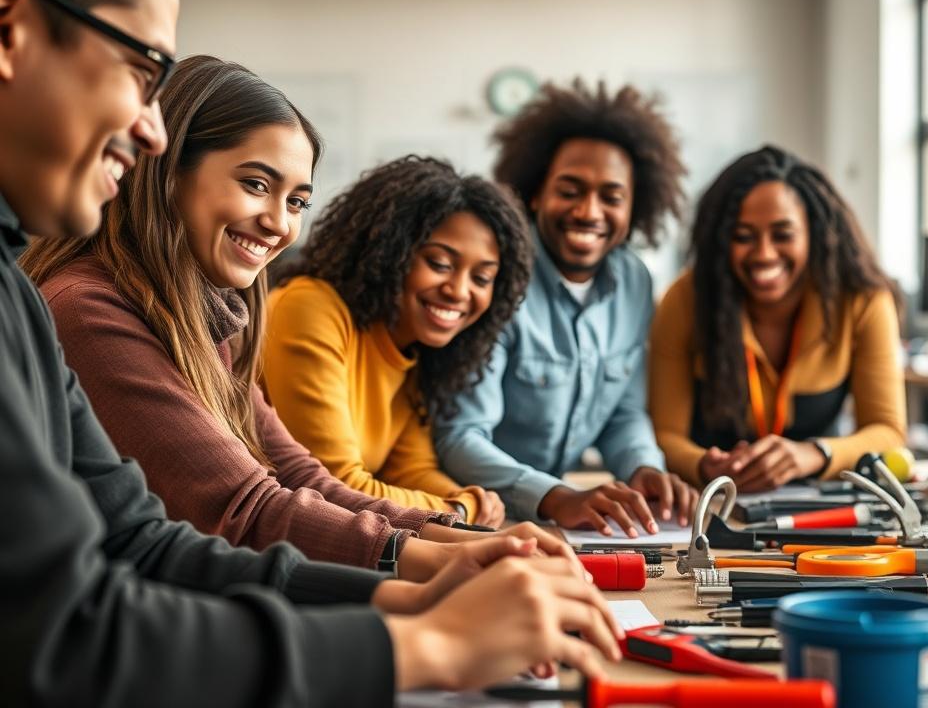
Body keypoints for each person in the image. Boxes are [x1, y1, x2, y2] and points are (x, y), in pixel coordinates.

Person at [0, 0, 619, 704]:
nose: (149, 130)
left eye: (296, 199)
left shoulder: (45, 304)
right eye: (139, 71)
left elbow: (172, 531)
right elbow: (93, 618)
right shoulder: (84, 306)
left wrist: (427, 577)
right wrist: (425, 629)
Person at [22, 55, 577, 579]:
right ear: (167, 171)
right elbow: (247, 511)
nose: (280, 225)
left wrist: (476, 540)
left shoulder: (204, 321)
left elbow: (300, 475)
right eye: (256, 185)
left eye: (296, 202)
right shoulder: (90, 309)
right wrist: (445, 555)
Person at [434, 80, 699, 536]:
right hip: (471, 513)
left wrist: (642, 466)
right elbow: (458, 437)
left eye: (611, 197)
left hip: (563, 519)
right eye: (570, 190)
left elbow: (624, 412)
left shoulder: (634, 281)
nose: (588, 212)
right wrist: (555, 496)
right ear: (535, 193)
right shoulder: (496, 275)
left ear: (635, 208)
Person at [264, 156, 533, 527]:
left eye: (482, 278)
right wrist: (458, 509)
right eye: (439, 264)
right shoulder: (309, 307)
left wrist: (464, 500)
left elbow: (411, 469)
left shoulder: (417, 347)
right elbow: (335, 484)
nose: (459, 291)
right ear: (388, 252)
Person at [649, 144, 906, 492]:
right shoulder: (685, 299)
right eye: (743, 237)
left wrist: (814, 454)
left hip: (818, 509)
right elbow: (663, 435)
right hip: (709, 502)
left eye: (783, 235)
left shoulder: (862, 300)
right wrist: (704, 464)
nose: (764, 254)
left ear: (814, 234)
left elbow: (889, 431)